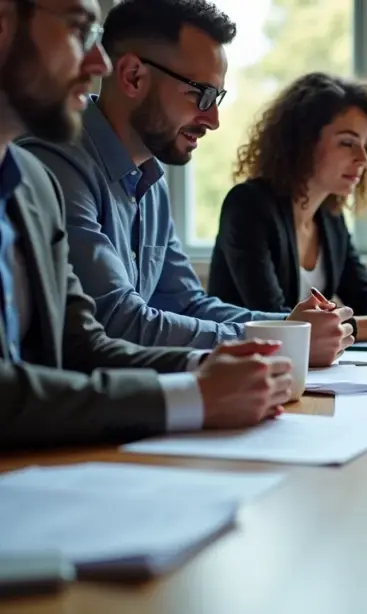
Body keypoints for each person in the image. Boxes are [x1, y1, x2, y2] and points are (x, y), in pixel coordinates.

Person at [0, 0, 299, 450]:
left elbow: (85, 344)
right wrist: (195, 393)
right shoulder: (57, 165)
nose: (98, 60)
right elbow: (113, 323)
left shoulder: (34, 185)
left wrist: (210, 367)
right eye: (79, 28)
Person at [19, 0, 351, 366]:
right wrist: (280, 338)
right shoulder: (56, 162)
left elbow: (187, 302)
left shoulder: (149, 182)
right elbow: (114, 320)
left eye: (217, 98)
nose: (213, 120)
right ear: (133, 76)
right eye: (201, 94)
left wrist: (290, 327)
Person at [207, 73, 367, 342]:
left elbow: (366, 297)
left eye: (366, 145)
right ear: (304, 142)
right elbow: (274, 320)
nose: (363, 159)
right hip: (245, 369)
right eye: (347, 143)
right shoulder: (248, 205)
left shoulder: (330, 217)